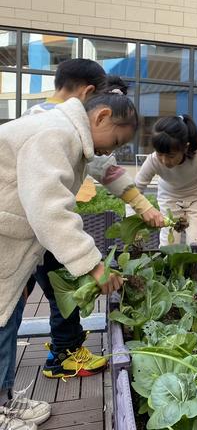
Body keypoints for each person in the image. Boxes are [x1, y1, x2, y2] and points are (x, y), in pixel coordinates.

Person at [0, 91, 137, 430]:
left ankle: (3, 398)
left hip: (10, 240)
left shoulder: (62, 132)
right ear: (101, 116)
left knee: (8, 316)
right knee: (2, 320)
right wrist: (94, 265)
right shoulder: (54, 134)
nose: (112, 150)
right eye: (116, 140)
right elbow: (51, 210)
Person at [26, 63, 163, 379]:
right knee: (66, 289)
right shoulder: (55, 127)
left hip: (41, 229)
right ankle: (64, 353)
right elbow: (49, 202)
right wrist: (92, 264)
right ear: (91, 96)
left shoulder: (46, 116)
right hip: (40, 228)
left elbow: (108, 170)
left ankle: (65, 348)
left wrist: (144, 208)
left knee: (35, 294)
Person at [134, 115, 197, 246]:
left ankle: (195, 266)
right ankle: (168, 267)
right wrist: (134, 219)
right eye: (159, 154)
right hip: (170, 199)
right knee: (169, 243)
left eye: (170, 156)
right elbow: (136, 189)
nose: (164, 160)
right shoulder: (153, 160)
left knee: (196, 243)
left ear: (185, 148)